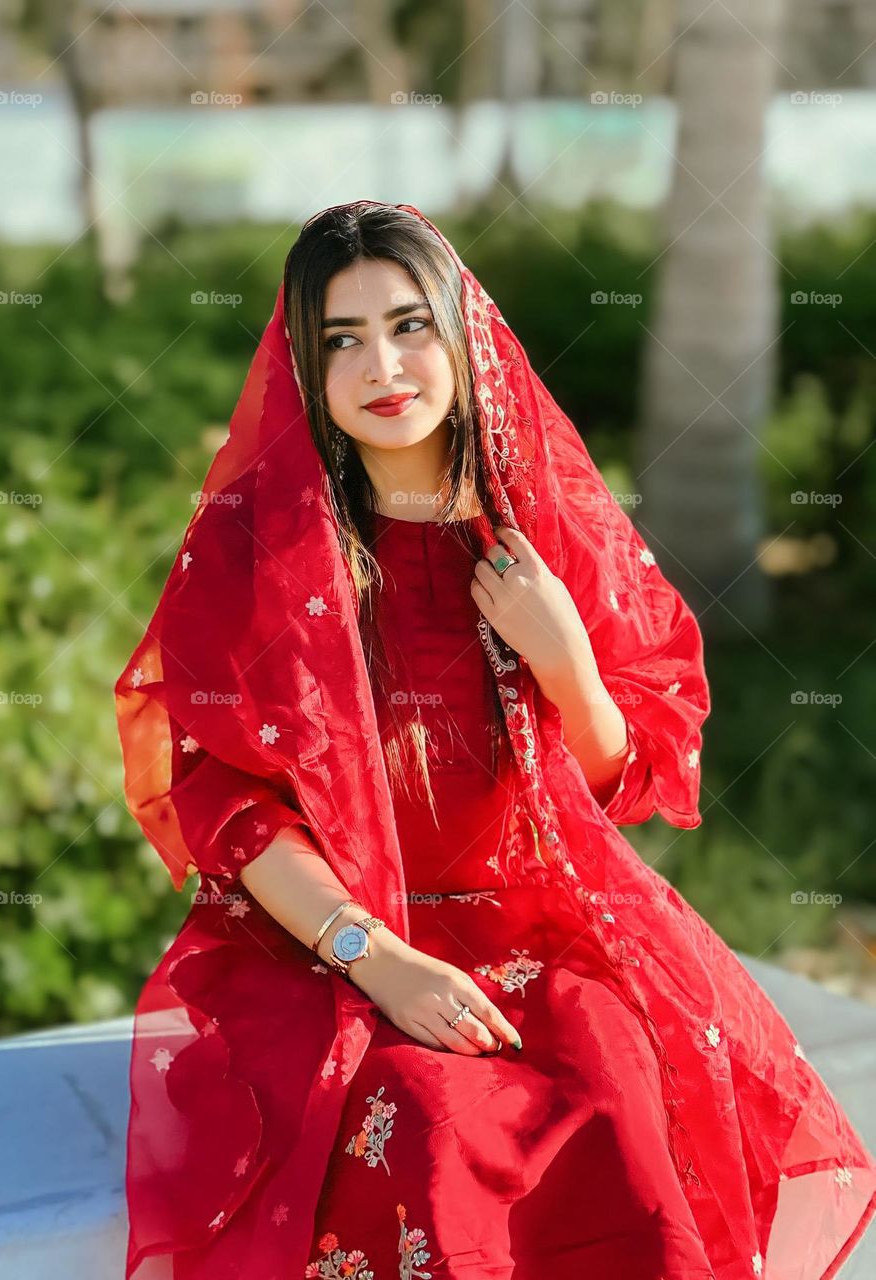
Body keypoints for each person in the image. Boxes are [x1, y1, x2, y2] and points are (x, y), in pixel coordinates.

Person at [114, 201, 876, 1280]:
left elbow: (625, 775)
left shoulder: (537, 529)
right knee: (432, 1133)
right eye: (341, 338)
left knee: (623, 1103)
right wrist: (379, 962)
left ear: (462, 335)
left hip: (540, 924)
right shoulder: (264, 552)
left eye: (409, 324)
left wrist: (562, 655)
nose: (382, 363)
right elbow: (225, 803)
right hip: (333, 945)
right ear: (303, 365)